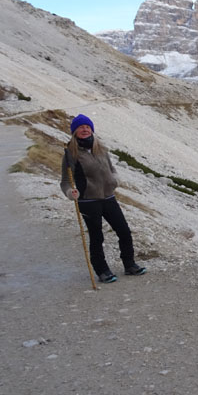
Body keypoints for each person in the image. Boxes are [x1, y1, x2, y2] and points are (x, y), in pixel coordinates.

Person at [60, 114, 146, 283]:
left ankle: (129, 264)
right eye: (80, 127)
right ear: (74, 131)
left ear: (91, 129)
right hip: (88, 201)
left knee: (124, 231)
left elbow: (112, 168)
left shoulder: (101, 148)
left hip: (108, 197)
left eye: (87, 127)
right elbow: (65, 181)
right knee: (97, 236)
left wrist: (115, 179)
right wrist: (71, 193)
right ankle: (102, 271)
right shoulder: (71, 153)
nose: (84, 130)